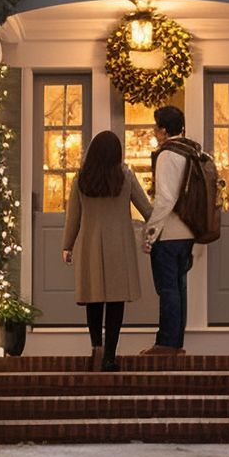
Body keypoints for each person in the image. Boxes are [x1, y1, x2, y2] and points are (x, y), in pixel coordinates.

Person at [61, 130, 152, 371]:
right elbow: (146, 209)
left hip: (90, 243)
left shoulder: (81, 178)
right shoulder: (126, 176)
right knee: (115, 301)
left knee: (94, 299)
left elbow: (74, 217)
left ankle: (96, 348)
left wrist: (67, 245)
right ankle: (110, 356)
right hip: (119, 245)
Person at [140, 105, 199, 355]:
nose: (155, 132)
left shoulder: (166, 155)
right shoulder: (193, 151)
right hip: (189, 230)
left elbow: (165, 199)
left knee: (167, 288)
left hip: (169, 231)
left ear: (163, 130)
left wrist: (150, 233)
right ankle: (176, 342)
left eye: (156, 127)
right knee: (179, 286)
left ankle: (165, 343)